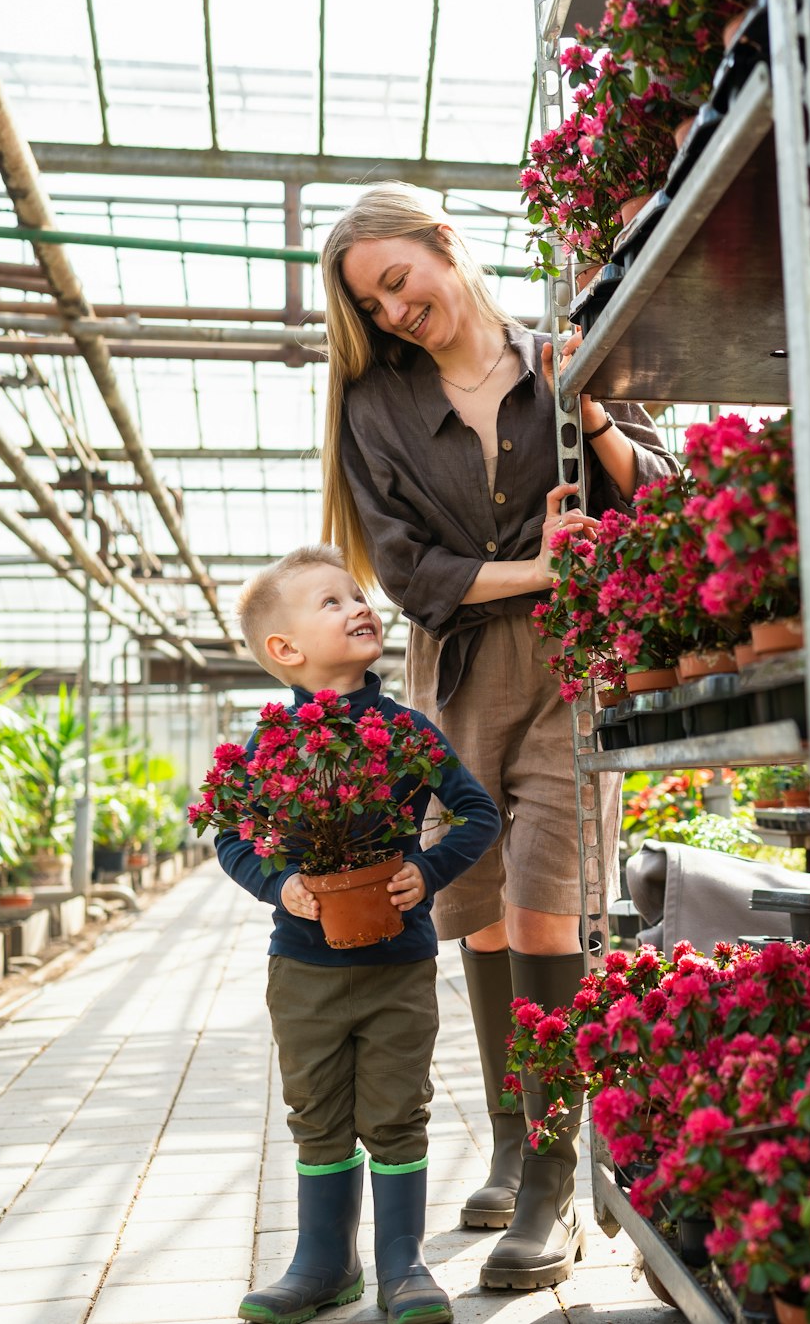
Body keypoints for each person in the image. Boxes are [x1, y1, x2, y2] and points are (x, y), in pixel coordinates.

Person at [317, 182, 680, 1290]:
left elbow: (665, 497)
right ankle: (519, 1135)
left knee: (543, 897)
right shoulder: (373, 407)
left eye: (395, 282)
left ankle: (552, 1180)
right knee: (478, 912)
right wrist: (537, 565)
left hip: (576, 663)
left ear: (443, 244)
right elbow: (407, 571)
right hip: (465, 670)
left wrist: (596, 407)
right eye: (371, 307)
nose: (391, 312)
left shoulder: (571, 353)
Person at [217, 545, 502, 1324]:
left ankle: (402, 1263)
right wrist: (283, 885)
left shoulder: (405, 732)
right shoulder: (270, 746)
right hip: (302, 965)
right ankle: (323, 1262)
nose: (359, 606)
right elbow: (231, 838)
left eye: (358, 594)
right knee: (316, 1109)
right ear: (286, 650)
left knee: (396, 1107)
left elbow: (478, 813)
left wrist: (431, 871)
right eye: (332, 602)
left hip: (399, 961)